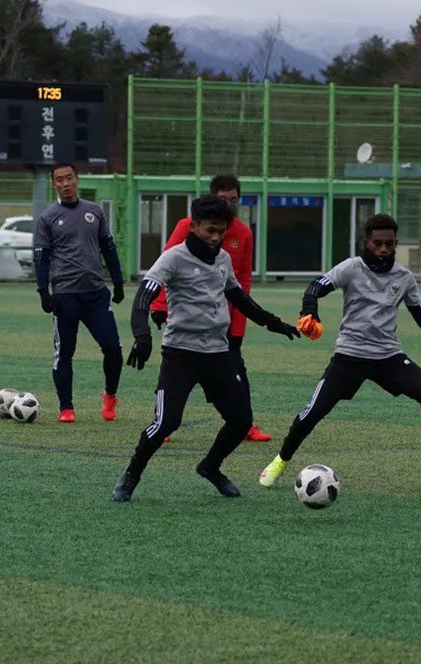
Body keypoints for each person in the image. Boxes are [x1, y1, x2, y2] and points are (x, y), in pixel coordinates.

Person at [258, 213, 421, 489]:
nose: (383, 249)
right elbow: (314, 288)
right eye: (377, 243)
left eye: (389, 244)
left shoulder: (404, 277)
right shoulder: (351, 268)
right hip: (349, 355)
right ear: (366, 242)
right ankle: (280, 460)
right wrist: (310, 311)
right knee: (314, 411)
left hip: (388, 356)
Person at [112, 195, 300, 502]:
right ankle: (132, 473)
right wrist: (142, 337)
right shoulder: (173, 258)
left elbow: (239, 298)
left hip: (217, 354)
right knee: (165, 423)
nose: (216, 237)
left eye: (221, 231)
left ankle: (211, 467)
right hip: (180, 354)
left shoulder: (223, 259)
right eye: (210, 230)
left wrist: (274, 323)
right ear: (194, 225)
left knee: (241, 420)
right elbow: (143, 297)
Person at [150, 174, 271, 443]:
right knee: (177, 371)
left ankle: (245, 423)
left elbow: (243, 281)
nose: (228, 204)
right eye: (223, 199)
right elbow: (165, 268)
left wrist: (239, 324)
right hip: (188, 319)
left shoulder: (243, 233)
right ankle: (162, 422)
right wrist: (159, 307)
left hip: (224, 319)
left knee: (237, 368)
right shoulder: (187, 226)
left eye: (234, 200)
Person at [33, 163, 125, 424]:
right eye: (59, 179)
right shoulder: (47, 218)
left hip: (96, 294)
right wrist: (43, 292)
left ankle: (110, 395)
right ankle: (66, 407)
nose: (65, 183)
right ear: (54, 184)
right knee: (65, 353)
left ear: (77, 179)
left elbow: (108, 248)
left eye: (69, 178)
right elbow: (40, 259)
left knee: (113, 350)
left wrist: (117, 282)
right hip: (65, 296)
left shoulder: (94, 212)